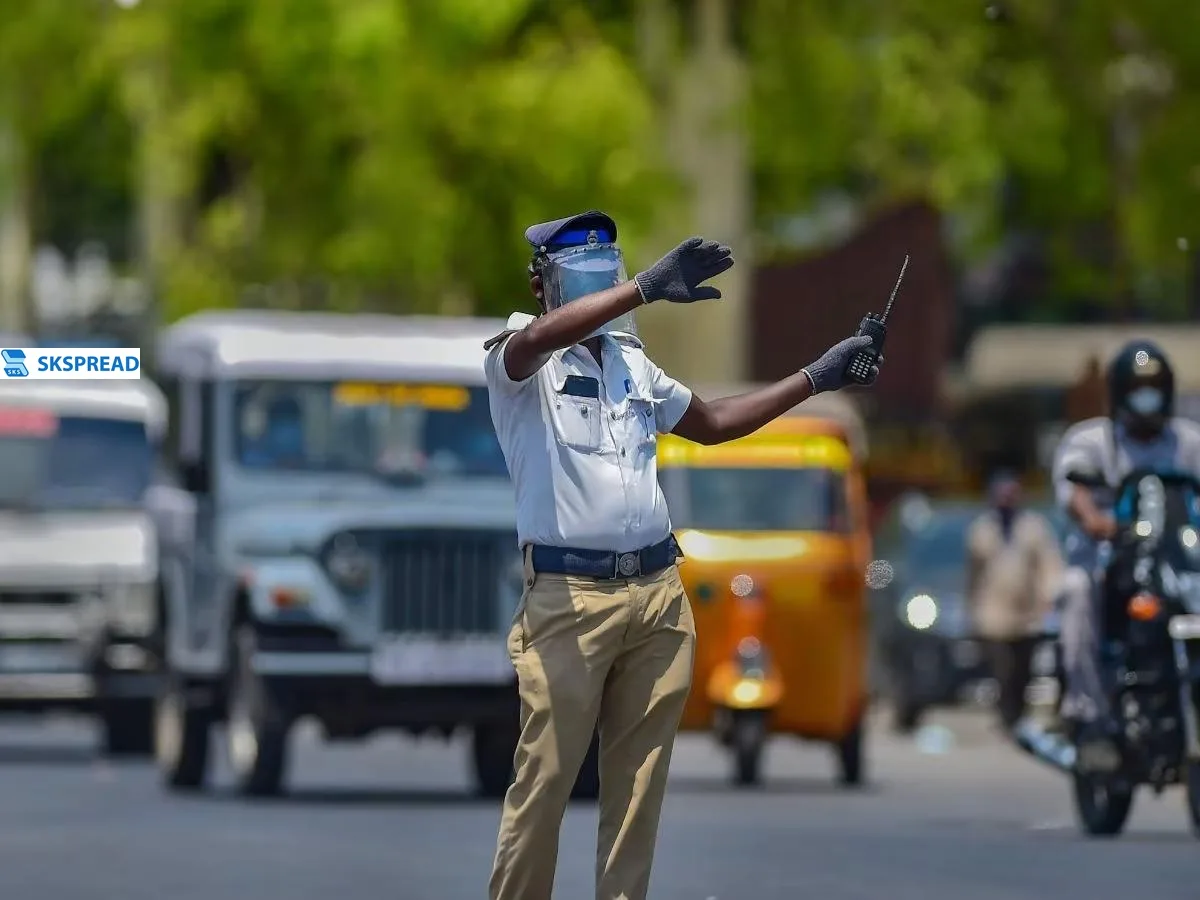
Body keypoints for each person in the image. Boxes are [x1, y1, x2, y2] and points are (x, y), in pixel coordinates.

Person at [483, 210, 882, 900]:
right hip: (570, 600)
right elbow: (539, 340)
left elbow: (715, 424)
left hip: (656, 594)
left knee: (637, 792)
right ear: (542, 284)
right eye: (579, 278)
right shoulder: (522, 358)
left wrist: (817, 376)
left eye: (603, 274)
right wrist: (643, 288)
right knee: (545, 781)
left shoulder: (630, 362)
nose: (594, 291)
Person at [1051, 339, 1200, 769]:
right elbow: (1075, 491)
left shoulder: (1187, 442)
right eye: (1138, 387)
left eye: (1154, 387)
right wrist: (1097, 522)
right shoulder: (1092, 440)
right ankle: (1091, 717)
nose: (1146, 397)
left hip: (1176, 567)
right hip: (1110, 566)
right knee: (1076, 593)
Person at [965, 470, 1063, 730]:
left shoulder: (1034, 528)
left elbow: (1049, 566)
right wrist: (971, 609)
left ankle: (1018, 716)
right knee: (1003, 669)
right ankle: (1006, 716)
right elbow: (973, 575)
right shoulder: (981, 530)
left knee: (1023, 670)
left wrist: (1050, 597)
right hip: (993, 614)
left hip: (1027, 615)